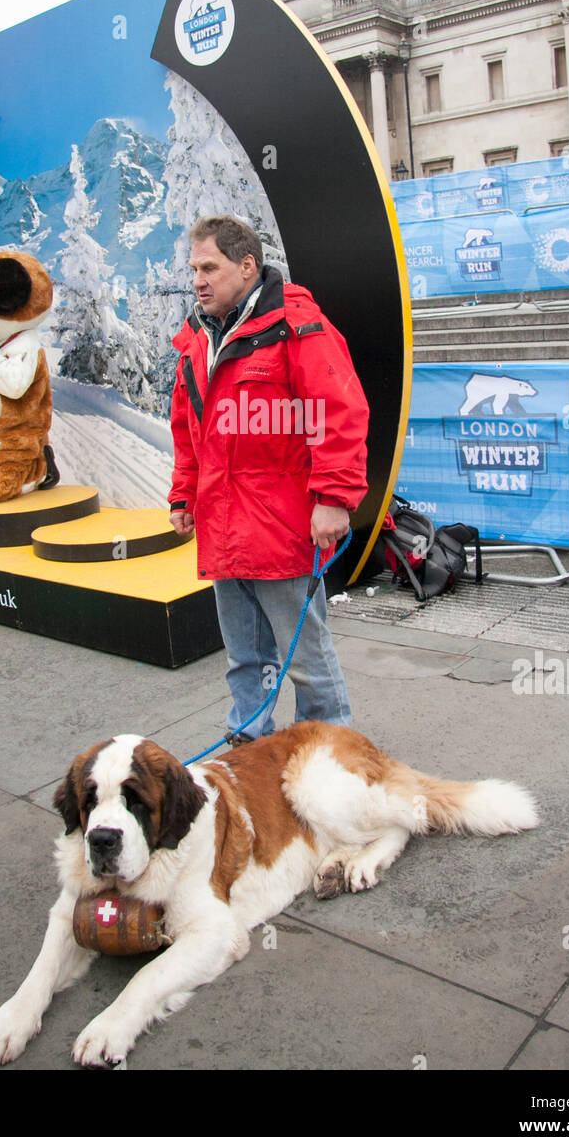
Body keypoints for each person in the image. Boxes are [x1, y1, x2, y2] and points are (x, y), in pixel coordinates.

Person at [169, 214, 369, 742]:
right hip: (222, 523)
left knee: (304, 654)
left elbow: (339, 413)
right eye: (194, 269)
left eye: (209, 267)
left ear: (247, 265)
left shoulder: (298, 327)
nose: (198, 280)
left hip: (282, 526)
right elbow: (188, 429)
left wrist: (333, 499)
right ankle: (249, 741)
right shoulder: (196, 339)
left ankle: (329, 746)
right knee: (244, 655)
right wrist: (183, 495)